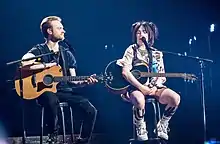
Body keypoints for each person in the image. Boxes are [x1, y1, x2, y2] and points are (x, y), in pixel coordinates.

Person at [21, 16, 98, 144]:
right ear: (49, 31)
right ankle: (52, 137)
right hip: (43, 91)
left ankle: (83, 140)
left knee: (90, 109)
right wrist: (47, 65)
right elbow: (24, 62)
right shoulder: (39, 50)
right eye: (59, 28)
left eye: (62, 28)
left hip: (63, 91)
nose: (63, 31)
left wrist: (85, 82)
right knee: (51, 99)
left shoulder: (66, 53)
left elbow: (73, 80)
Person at [116, 21, 180, 141]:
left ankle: (162, 125)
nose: (141, 35)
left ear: (150, 35)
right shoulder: (132, 50)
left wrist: (155, 87)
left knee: (175, 98)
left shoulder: (157, 53)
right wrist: (142, 88)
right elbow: (125, 72)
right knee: (139, 100)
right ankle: (140, 124)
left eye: (144, 32)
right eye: (138, 32)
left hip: (154, 87)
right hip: (136, 87)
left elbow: (161, 75)